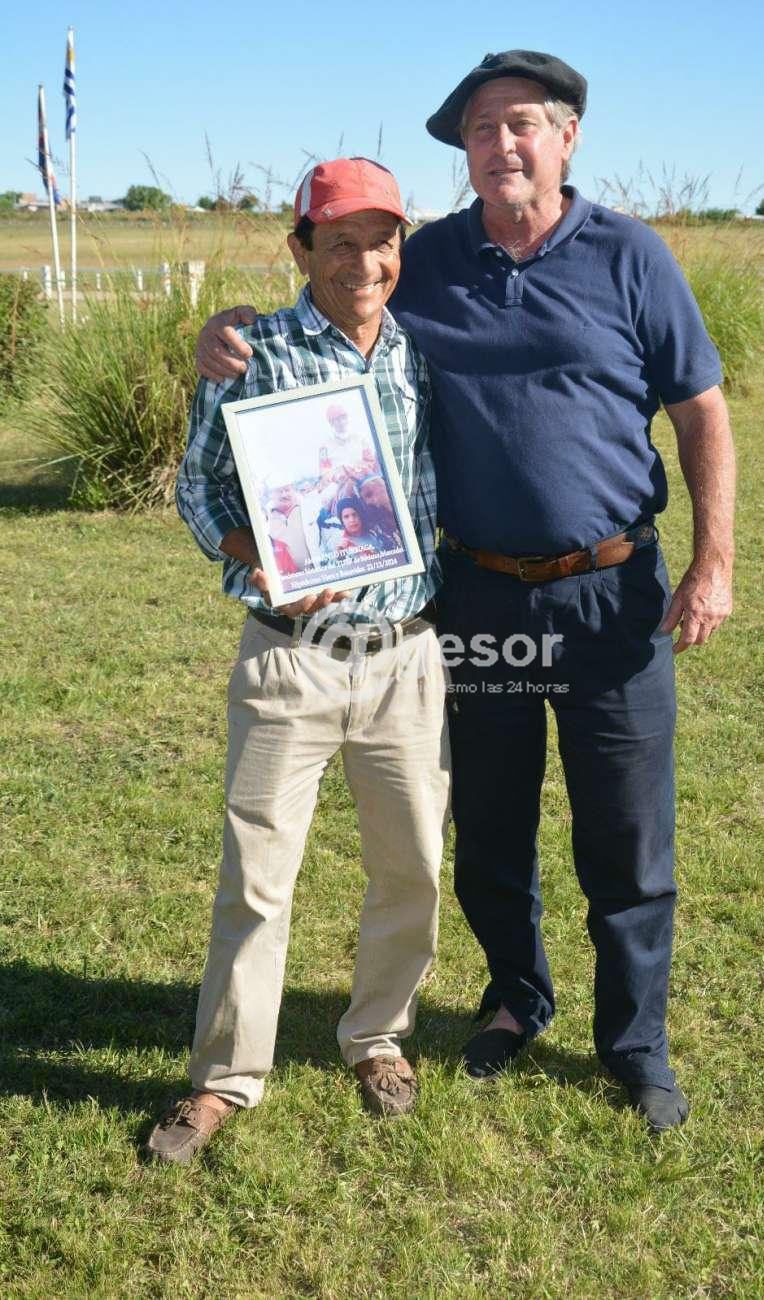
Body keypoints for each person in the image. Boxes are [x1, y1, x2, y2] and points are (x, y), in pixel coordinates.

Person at [195, 51, 735, 1133]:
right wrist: (229, 328)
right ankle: (515, 999)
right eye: (481, 130)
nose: (501, 145)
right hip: (479, 599)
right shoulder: (427, 257)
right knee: (487, 825)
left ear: (567, 136)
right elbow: (331, 290)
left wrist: (713, 559)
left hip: (611, 597)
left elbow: (701, 409)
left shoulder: (630, 254)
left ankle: (635, 1045)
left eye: (522, 123)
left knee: (627, 837)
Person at [146, 157, 449, 1165]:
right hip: (291, 659)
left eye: (382, 241)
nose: (364, 263)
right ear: (300, 249)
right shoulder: (253, 351)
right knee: (257, 879)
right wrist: (268, 561)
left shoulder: (423, 349)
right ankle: (225, 1077)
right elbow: (199, 493)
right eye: (340, 242)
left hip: (406, 655)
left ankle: (378, 1038)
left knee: (412, 866)